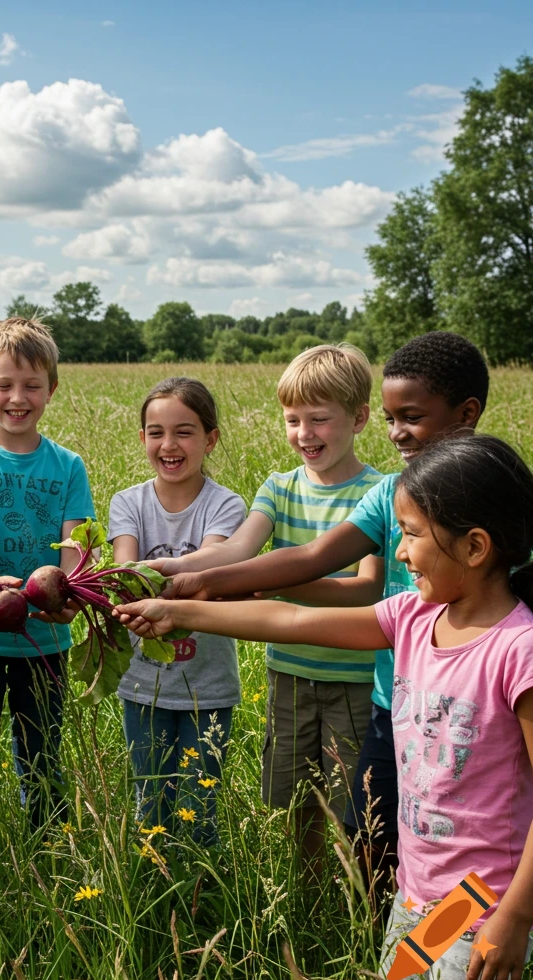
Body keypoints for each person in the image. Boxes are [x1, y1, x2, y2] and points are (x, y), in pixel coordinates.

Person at [115, 433, 533, 980]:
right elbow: (291, 617)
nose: (401, 553)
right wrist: (183, 609)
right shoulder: (415, 616)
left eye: (411, 535)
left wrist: (516, 918)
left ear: (474, 547)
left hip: (484, 906)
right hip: (416, 898)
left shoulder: (522, 651)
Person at [154, 332, 489, 899]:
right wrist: (188, 580)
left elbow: (350, 592)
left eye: (410, 416)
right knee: (372, 833)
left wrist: (212, 589)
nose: (402, 553)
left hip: (458, 706)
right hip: (393, 696)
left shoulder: (482, 495)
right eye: (391, 418)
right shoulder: (391, 497)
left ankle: (455, 940)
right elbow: (305, 566)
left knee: (448, 833)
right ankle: (378, 938)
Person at [151, 344, 385, 878]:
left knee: (354, 806)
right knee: (294, 798)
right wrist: (163, 571)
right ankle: (309, 894)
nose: (305, 434)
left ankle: (355, 900)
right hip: (289, 675)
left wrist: (276, 592)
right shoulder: (278, 488)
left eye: (319, 419)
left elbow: (364, 590)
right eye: (293, 420)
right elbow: (235, 553)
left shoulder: (379, 493)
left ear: (361, 417)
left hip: (353, 676)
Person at [0, 317, 95, 834]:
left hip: (46, 637)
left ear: (52, 388)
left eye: (32, 385)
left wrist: (68, 588)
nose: (18, 397)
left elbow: (74, 542)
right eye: (4, 384)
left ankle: (51, 850)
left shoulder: (68, 465)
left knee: (42, 755)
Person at [108, 377, 245, 845]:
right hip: (142, 683)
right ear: (143, 437)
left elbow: (212, 561)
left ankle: (199, 897)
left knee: (200, 806)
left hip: (207, 685)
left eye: (184, 432)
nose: (169, 445)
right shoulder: (128, 503)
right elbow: (124, 566)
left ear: (210, 439)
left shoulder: (226, 505)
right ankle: (155, 882)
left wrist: (156, 577)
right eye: (155, 432)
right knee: (150, 801)